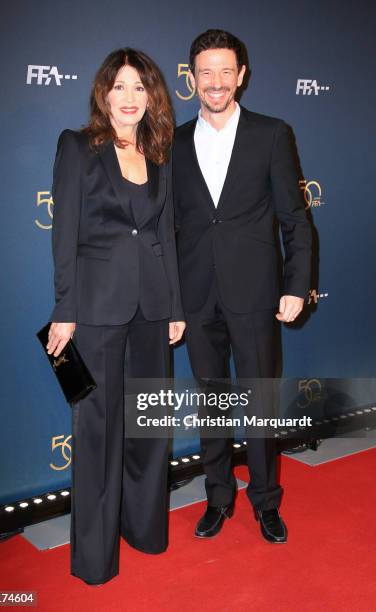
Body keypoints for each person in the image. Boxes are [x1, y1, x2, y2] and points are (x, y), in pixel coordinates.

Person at [46, 48, 185, 586]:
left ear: (152, 95)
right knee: (97, 434)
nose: (129, 98)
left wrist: (174, 305)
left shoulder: (160, 152)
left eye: (139, 87)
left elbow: (163, 235)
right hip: (97, 310)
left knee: (148, 427)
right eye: (119, 87)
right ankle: (95, 559)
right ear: (104, 93)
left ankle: (144, 531)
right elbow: (65, 236)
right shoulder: (78, 146)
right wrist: (65, 310)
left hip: (152, 309)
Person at [173, 30, 311, 543]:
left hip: (256, 295)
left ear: (242, 76)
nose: (215, 82)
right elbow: (170, 230)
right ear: (191, 79)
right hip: (196, 296)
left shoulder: (273, 133)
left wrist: (296, 284)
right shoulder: (173, 143)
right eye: (205, 72)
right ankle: (217, 496)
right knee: (211, 403)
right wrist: (171, 302)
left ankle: (265, 502)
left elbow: (295, 219)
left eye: (225, 71)